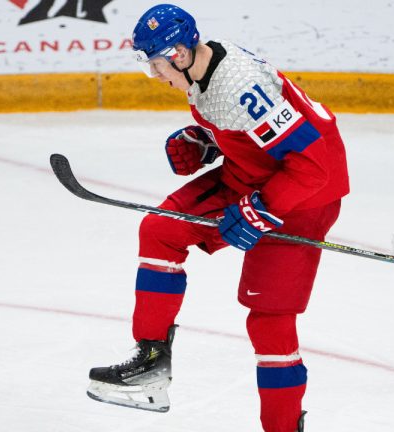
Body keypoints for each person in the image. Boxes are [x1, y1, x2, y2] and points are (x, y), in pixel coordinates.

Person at [85, 4, 349, 432]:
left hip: (305, 198)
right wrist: (207, 142)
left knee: (269, 320)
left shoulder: (239, 84)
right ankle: (151, 363)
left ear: (180, 55)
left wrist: (261, 210)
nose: (156, 76)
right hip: (254, 176)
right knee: (160, 229)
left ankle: (282, 427)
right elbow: (249, 133)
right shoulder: (205, 69)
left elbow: (311, 166)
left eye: (158, 65)